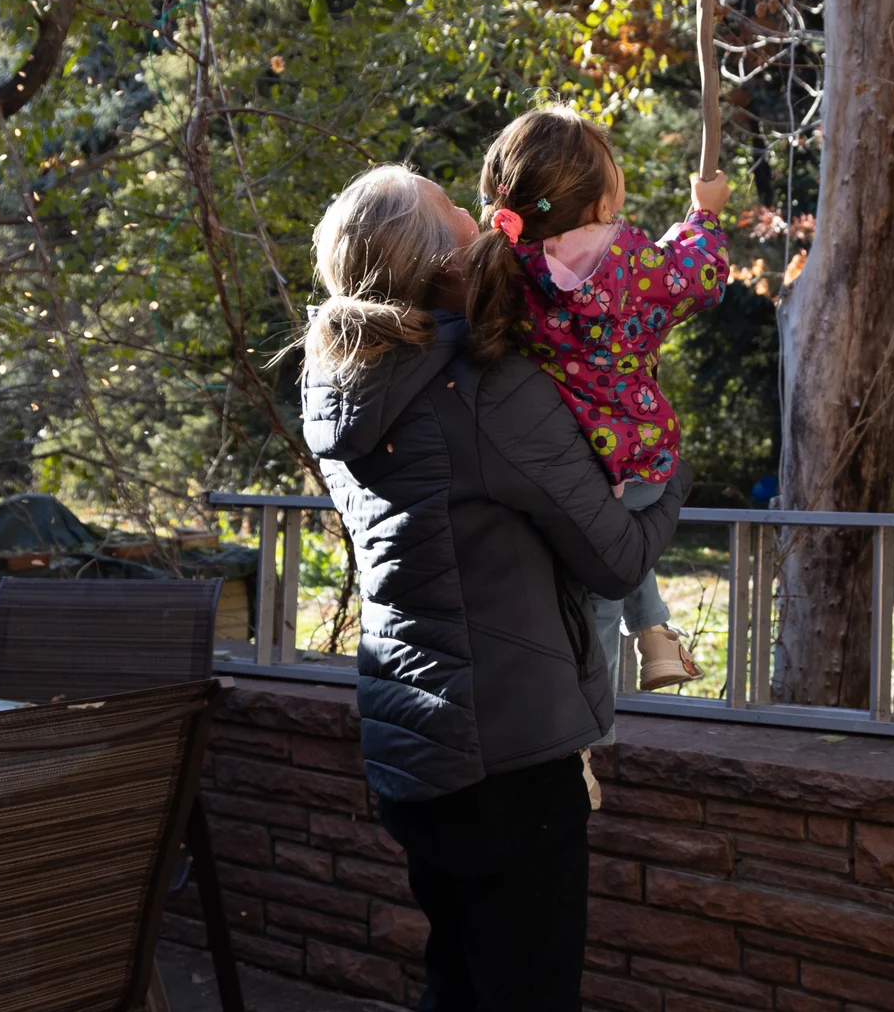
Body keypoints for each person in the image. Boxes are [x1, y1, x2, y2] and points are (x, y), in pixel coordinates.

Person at [299, 164, 685, 1012]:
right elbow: (617, 557)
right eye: (462, 217)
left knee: (460, 983)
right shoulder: (488, 392)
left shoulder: (346, 383)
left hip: (414, 750)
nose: (486, 225)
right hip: (511, 764)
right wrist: (667, 464)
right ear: (440, 265)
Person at [461, 108, 728, 691]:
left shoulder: (502, 263)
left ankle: (652, 634)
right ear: (605, 203)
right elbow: (698, 275)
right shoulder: (628, 260)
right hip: (638, 458)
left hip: (562, 467)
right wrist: (703, 214)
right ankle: (610, 704)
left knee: (597, 568)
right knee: (606, 584)